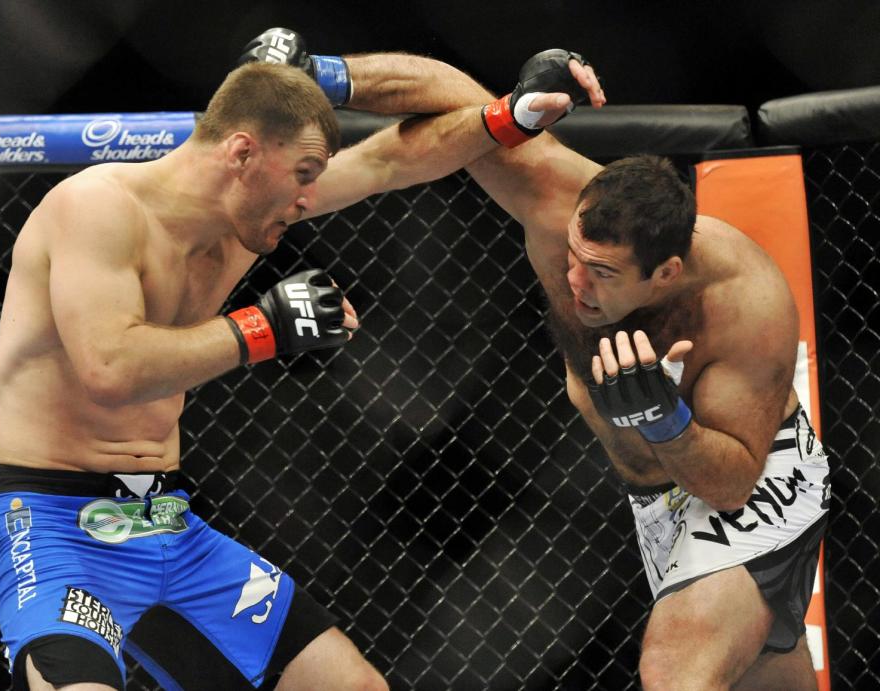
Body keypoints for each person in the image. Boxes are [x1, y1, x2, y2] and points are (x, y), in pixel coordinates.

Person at [0, 54, 593, 689]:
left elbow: (388, 161)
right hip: (52, 522)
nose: (307, 197)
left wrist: (511, 116)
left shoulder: (240, 222)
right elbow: (112, 367)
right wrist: (262, 329)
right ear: (242, 153)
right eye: (300, 174)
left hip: (165, 522)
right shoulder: (96, 208)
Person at [249, 28, 830, 691]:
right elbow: (449, 93)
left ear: (665, 272)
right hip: (653, 494)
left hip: (749, 481)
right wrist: (319, 73)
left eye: (602, 273)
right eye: (573, 257)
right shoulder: (556, 199)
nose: (574, 281)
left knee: (675, 668)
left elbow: (730, 481)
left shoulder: (741, 303)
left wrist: (667, 420)